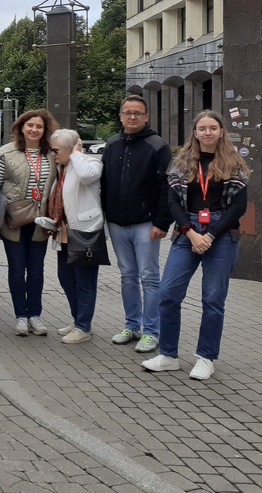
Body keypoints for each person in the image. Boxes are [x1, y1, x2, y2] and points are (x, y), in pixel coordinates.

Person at [142, 110, 250, 381]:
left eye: (213, 127)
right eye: (202, 128)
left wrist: (211, 234)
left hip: (221, 233)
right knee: (168, 293)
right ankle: (168, 355)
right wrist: (191, 233)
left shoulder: (234, 162)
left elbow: (237, 207)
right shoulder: (182, 162)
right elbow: (173, 202)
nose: (207, 132)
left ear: (221, 131)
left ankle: (206, 357)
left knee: (213, 299)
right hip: (187, 229)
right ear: (195, 132)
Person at [101, 95, 173, 353]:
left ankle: (151, 331)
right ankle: (132, 325)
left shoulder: (158, 146)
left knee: (149, 277)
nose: (132, 117)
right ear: (120, 116)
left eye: (138, 113)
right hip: (117, 223)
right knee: (127, 276)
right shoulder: (111, 145)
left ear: (146, 117)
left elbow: (167, 188)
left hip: (147, 224)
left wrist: (163, 222)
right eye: (128, 112)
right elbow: (104, 184)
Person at [0, 109, 59, 337]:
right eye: (30, 125)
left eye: (39, 127)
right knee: (17, 269)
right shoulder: (6, 153)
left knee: (37, 270)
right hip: (15, 218)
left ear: (45, 130)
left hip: (42, 219)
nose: (34, 130)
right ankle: (21, 315)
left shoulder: (52, 153)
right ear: (21, 127)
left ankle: (35, 315)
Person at [44, 128, 106, 344]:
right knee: (66, 278)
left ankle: (84, 326)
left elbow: (88, 177)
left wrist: (77, 153)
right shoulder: (62, 169)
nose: (53, 153)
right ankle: (78, 319)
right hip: (64, 234)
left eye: (57, 150)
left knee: (84, 282)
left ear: (71, 149)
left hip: (84, 233)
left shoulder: (89, 164)